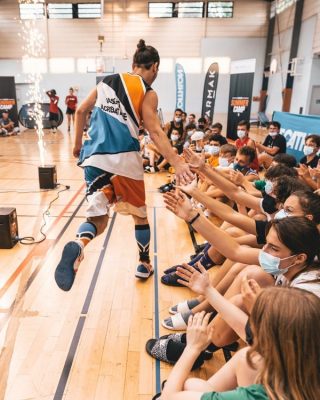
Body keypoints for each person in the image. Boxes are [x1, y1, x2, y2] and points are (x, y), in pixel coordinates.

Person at [54, 39, 193, 291]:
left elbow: (81, 111)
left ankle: (79, 244)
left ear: (132, 64)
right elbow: (155, 131)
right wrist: (177, 162)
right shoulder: (148, 92)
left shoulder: (106, 81)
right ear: (155, 67)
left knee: (98, 217)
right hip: (125, 160)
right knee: (140, 216)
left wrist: (76, 145)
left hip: (94, 158)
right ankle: (143, 263)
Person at [157, 287, 320, 400]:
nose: (249, 325)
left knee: (176, 389)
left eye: (253, 319)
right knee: (194, 384)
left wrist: (193, 348)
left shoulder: (257, 395)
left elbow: (168, 398)